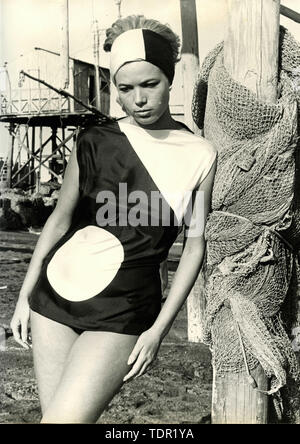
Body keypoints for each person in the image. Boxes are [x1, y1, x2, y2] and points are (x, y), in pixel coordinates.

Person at [10, 15, 217, 424]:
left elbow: (195, 245)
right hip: (51, 302)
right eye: (126, 89)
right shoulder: (92, 141)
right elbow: (57, 222)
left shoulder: (199, 153)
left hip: (123, 313)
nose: (139, 98)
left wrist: (158, 330)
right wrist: (23, 296)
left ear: (169, 80)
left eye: (150, 84)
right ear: (115, 92)